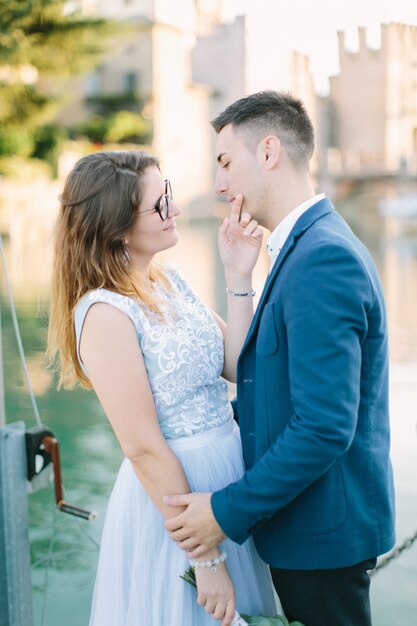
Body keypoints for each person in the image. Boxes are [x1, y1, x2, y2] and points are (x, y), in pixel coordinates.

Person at [164, 90, 396, 626]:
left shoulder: (322, 258)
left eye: (225, 163)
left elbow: (323, 427)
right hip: (307, 529)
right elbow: (274, 392)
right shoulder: (303, 248)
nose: (218, 185)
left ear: (269, 151)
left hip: (322, 537)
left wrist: (223, 513)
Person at [47, 149, 278, 626]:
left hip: (227, 481)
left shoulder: (170, 281)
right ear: (115, 228)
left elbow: (236, 365)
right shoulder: (104, 313)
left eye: (167, 194)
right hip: (176, 502)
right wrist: (206, 560)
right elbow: (143, 447)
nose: (174, 210)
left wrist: (239, 273)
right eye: (159, 205)